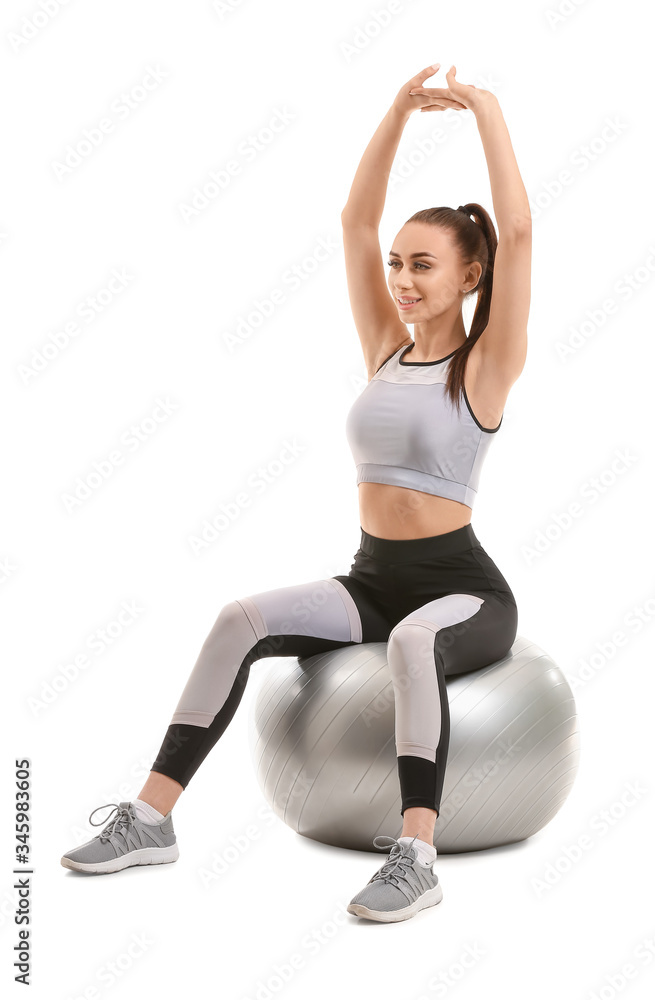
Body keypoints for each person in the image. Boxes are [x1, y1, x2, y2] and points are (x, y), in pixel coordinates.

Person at [61, 62, 531, 924]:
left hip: (460, 590)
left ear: (468, 277)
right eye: (397, 264)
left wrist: (487, 113)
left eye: (423, 265)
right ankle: (151, 818)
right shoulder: (388, 350)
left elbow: (521, 233)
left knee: (414, 644)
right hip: (371, 579)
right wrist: (395, 110)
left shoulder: (484, 368)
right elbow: (354, 222)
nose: (401, 278)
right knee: (240, 617)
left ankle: (415, 856)